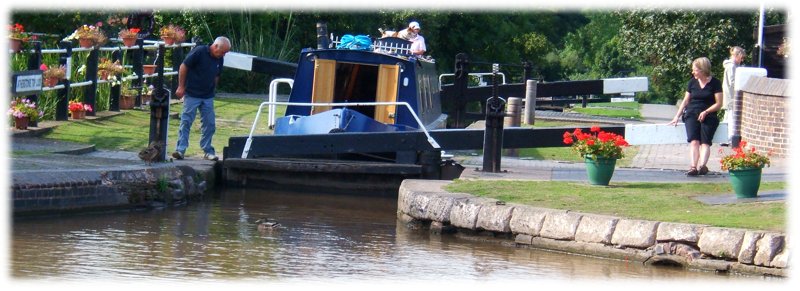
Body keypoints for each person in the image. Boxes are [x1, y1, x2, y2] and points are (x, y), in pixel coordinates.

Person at [171, 36, 231, 161]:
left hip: (207, 95)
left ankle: (208, 150)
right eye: (223, 52)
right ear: (215, 47)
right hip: (192, 93)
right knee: (186, 121)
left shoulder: (219, 58)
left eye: (225, 53)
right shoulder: (199, 51)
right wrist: (181, 86)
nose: (224, 55)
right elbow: (184, 66)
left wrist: (213, 88)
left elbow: (217, 74)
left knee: (210, 124)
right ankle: (180, 150)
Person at [668, 57, 723, 176]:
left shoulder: (715, 83)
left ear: (703, 70)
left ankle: (702, 166)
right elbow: (686, 100)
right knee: (694, 141)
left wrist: (706, 112)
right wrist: (676, 116)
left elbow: (719, 103)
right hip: (692, 113)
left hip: (709, 115)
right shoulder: (692, 82)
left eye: (695, 70)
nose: (693, 72)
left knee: (705, 142)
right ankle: (693, 167)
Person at [721, 46, 746, 144]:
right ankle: (728, 138)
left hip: (729, 94)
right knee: (731, 117)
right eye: (742, 58)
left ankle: (723, 138)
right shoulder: (732, 66)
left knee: (728, 116)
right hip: (731, 95)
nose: (742, 60)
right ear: (737, 56)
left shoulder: (732, 65)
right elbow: (733, 82)